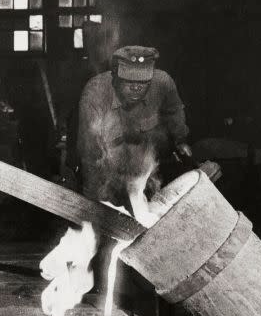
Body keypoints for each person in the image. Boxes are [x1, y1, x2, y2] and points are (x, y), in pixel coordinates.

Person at [73, 45, 190, 209]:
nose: (136, 87)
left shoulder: (163, 83)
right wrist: (97, 205)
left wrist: (180, 139)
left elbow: (174, 111)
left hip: (146, 164)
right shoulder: (95, 94)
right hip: (107, 165)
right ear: (115, 77)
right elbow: (90, 156)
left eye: (143, 81)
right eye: (129, 81)